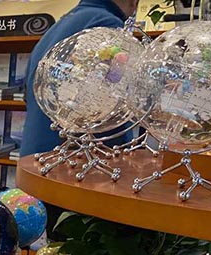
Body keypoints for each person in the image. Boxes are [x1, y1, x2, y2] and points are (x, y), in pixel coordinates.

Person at [21, 0, 139, 157]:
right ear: (134, 2)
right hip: (76, 160)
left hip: (37, 152)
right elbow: (113, 99)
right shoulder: (107, 24)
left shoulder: (62, 24)